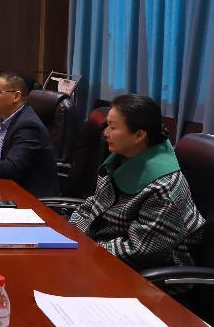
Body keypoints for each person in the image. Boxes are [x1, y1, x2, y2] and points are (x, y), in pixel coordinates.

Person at [69, 94, 204, 269]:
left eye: (112, 127)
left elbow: (139, 250)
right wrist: (70, 235)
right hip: (101, 253)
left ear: (139, 135)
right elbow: (93, 206)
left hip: (143, 274)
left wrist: (85, 250)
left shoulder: (164, 187)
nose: (105, 133)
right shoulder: (122, 158)